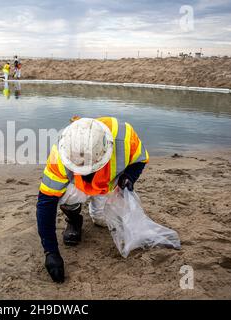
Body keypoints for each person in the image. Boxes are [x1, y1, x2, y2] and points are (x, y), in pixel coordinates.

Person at [36, 117, 149, 283]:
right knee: (64, 197)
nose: (86, 172)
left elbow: (140, 159)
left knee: (101, 220)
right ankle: (74, 220)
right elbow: (46, 203)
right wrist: (50, 252)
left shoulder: (124, 136)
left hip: (108, 184)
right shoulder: (60, 155)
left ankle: (97, 210)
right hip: (78, 188)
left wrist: (129, 176)